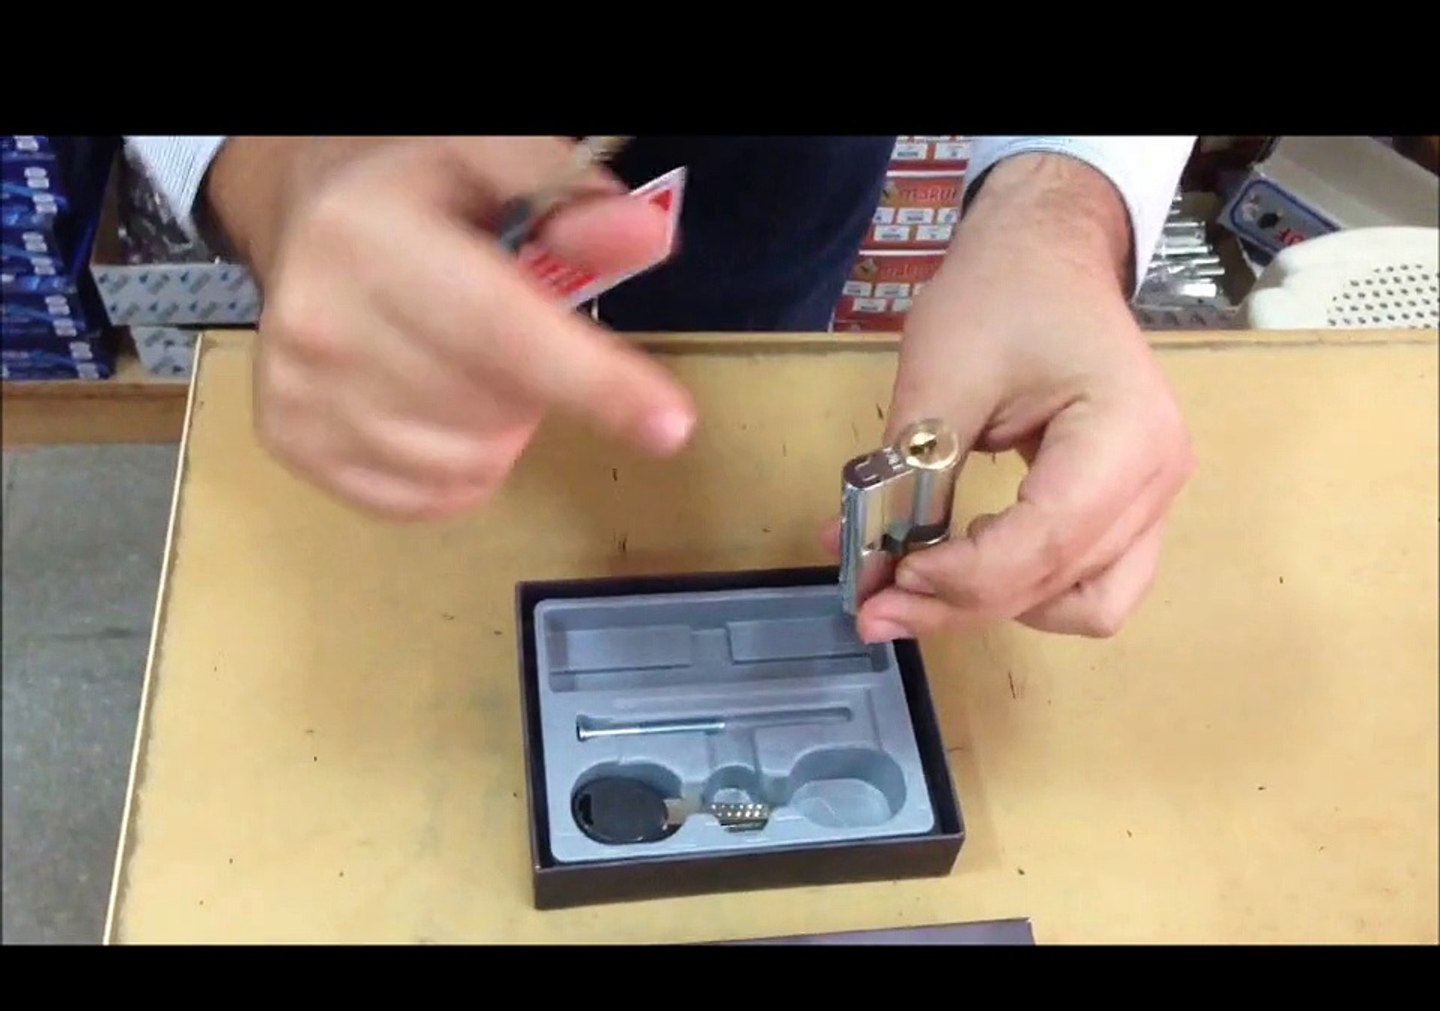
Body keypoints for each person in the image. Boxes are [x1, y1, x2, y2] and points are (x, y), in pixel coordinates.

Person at [124, 135, 1198, 645]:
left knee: (732, 380)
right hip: (378, 188)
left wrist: (1058, 213)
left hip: (763, 187)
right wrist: (282, 164)